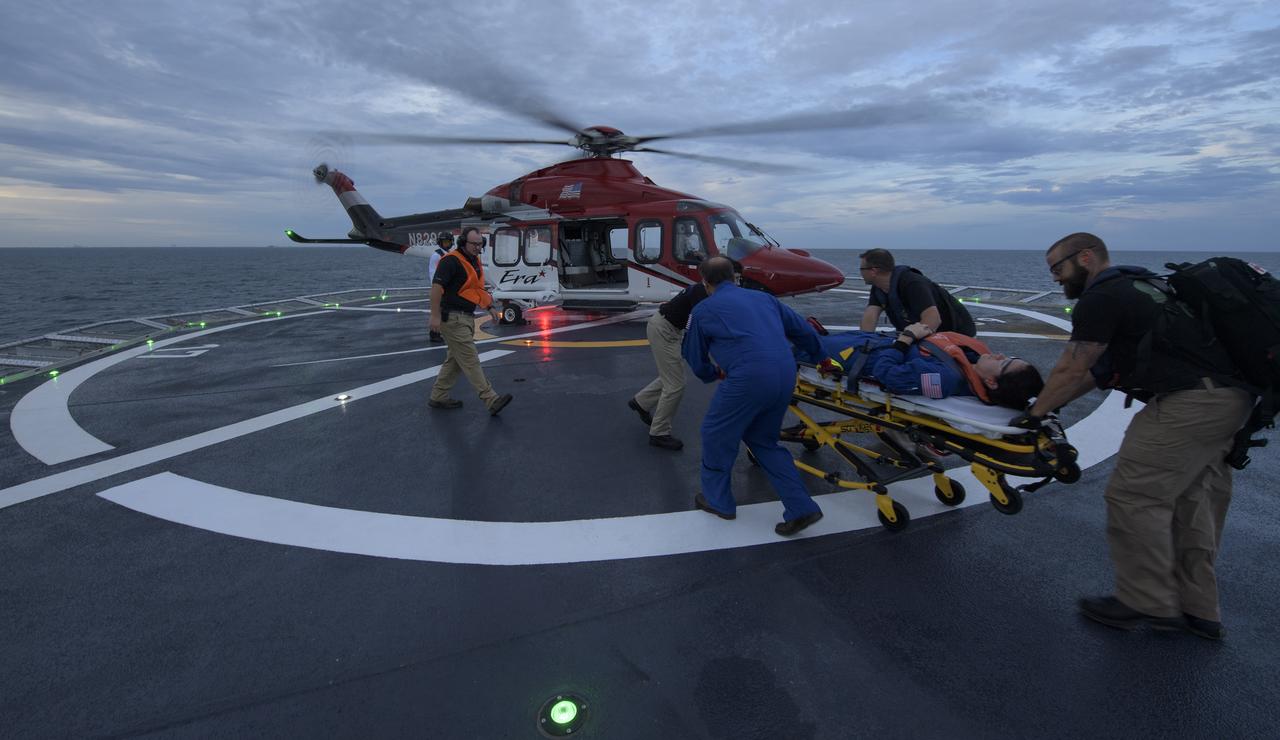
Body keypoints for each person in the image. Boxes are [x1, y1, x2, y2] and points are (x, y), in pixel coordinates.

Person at [1016, 232, 1254, 640]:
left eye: (1058, 268)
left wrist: (1035, 415)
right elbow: (1099, 372)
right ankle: (1200, 609)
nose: (1055, 278)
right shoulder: (1143, 286)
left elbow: (1073, 367)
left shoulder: (1100, 297)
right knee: (1190, 503)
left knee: (1134, 495)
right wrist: (1048, 409)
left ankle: (1147, 602)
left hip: (1191, 403)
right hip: (1231, 401)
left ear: (1085, 258)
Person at [682, 256, 827, 536]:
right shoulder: (765, 299)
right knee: (763, 440)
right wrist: (822, 359)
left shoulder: (703, 309)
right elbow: (802, 330)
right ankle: (801, 506)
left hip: (749, 378)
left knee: (715, 433)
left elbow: (693, 355)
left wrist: (711, 374)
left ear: (705, 281)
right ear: (734, 276)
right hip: (786, 374)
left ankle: (717, 500)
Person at [628, 260, 743, 451]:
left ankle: (641, 402)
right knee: (675, 385)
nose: (736, 284)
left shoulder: (706, 290)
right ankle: (659, 433)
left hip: (670, 329)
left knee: (672, 376)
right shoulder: (702, 293)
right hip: (664, 330)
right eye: (735, 279)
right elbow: (706, 324)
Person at [801, 324, 1043, 408]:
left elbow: (889, 376)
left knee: (790, 341)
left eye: (1004, 363)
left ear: (991, 382)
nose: (1000, 354)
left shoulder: (945, 379)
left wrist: (905, 340)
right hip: (868, 342)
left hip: (853, 356)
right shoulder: (970, 360)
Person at [427, 226, 513, 416]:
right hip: (452, 318)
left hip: (466, 317)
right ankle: (490, 399)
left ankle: (438, 395)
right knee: (470, 358)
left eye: (480, 244)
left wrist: (490, 307)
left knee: (455, 360)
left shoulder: (474, 262)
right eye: (474, 244)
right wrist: (434, 316)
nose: (477, 247)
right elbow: (436, 288)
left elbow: (476, 289)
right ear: (462, 242)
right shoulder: (450, 261)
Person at [858, 248, 976, 336]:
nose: (861, 272)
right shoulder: (879, 287)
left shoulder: (913, 283)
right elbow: (870, 316)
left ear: (873, 271)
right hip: (928, 335)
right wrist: (863, 341)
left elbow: (933, 319)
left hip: (958, 334)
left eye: (862, 269)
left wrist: (905, 342)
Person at [426, 233, 453, 343]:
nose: (447, 244)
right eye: (445, 242)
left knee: (444, 311)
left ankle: (440, 332)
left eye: (448, 242)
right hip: (439, 288)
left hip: (445, 288)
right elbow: (433, 273)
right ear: (440, 243)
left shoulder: (448, 254)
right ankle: (434, 334)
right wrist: (438, 287)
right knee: (437, 312)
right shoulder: (436, 256)